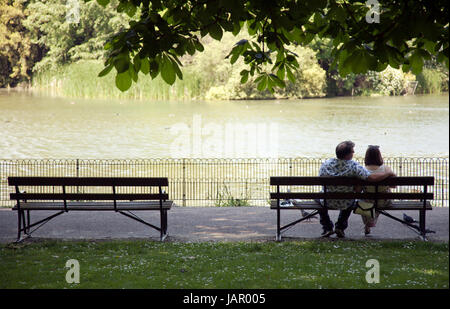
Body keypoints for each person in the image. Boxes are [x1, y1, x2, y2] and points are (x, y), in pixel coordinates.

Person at [318, 141, 395, 238]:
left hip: (327, 201)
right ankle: (340, 227)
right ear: (348, 154)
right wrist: (388, 173)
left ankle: (327, 227)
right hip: (346, 202)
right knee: (351, 199)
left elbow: (320, 178)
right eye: (352, 151)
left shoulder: (326, 164)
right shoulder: (354, 166)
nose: (353, 153)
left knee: (318, 198)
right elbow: (372, 178)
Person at [355, 145, 396, 236]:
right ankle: (371, 222)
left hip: (367, 202)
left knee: (362, 202)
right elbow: (394, 186)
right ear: (379, 156)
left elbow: (358, 190)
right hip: (384, 201)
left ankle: (368, 224)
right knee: (378, 200)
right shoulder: (386, 169)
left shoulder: (362, 170)